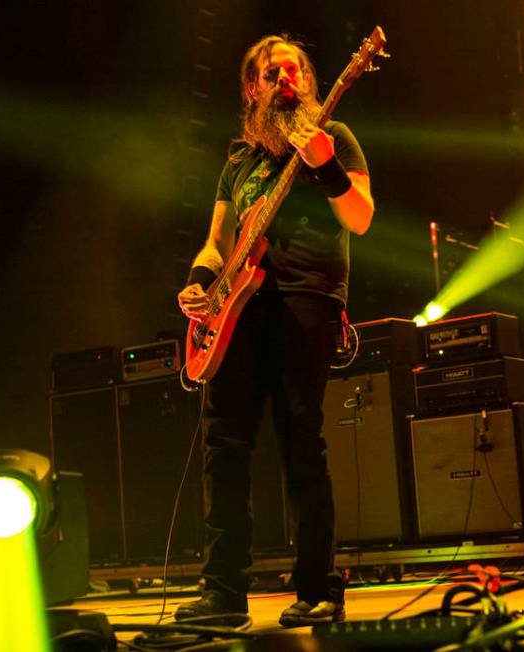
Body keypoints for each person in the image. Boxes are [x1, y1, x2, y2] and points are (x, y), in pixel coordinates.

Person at [175, 34, 374, 627]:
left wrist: (326, 168)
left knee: (300, 440)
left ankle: (317, 588)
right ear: (251, 87)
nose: (286, 78)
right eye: (273, 72)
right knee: (224, 446)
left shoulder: (333, 138)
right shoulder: (238, 161)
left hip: (305, 296)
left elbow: (360, 218)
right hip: (235, 306)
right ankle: (223, 594)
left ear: (311, 83)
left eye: (296, 70)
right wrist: (199, 282)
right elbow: (217, 241)